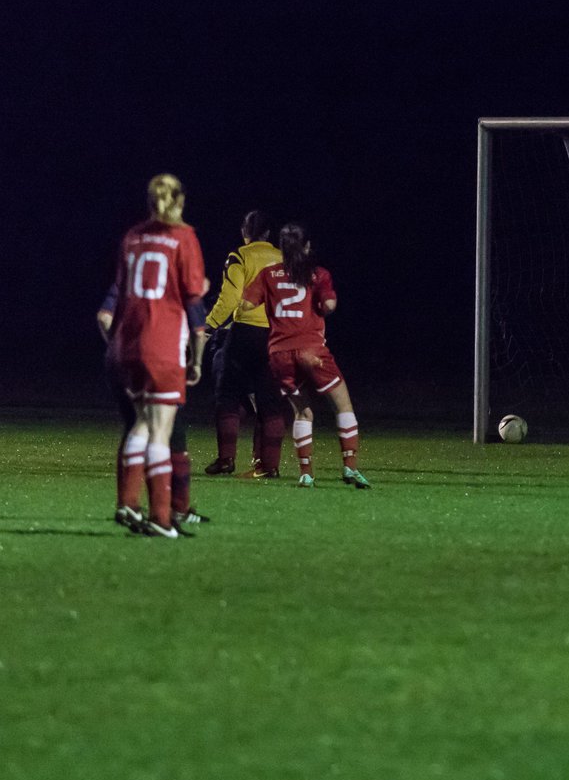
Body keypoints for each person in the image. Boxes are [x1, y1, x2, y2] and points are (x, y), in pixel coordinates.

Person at [105, 173, 209, 538]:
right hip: (161, 343)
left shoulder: (132, 236)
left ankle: (127, 503)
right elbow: (194, 298)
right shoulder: (184, 238)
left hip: (125, 344)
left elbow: (121, 292)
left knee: (141, 424)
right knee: (161, 432)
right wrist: (197, 356)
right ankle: (162, 519)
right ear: (179, 201)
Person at [240, 222, 370, 488]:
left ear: (282, 249)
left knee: (302, 412)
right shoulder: (318, 274)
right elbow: (329, 305)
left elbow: (246, 304)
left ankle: (306, 473)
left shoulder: (268, 274)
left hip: (279, 354)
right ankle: (350, 468)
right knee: (343, 407)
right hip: (312, 352)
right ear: (308, 247)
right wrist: (322, 306)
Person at [97, 286, 209, 528]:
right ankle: (173, 510)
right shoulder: (178, 281)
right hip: (162, 359)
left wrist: (120, 348)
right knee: (168, 432)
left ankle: (127, 503)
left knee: (135, 426)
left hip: (124, 361)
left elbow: (104, 317)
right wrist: (196, 362)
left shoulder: (131, 275)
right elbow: (199, 331)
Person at [203, 209, 290, 478]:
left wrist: (210, 325)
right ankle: (270, 465)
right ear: (268, 234)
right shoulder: (285, 259)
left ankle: (226, 459)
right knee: (271, 400)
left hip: (245, 332)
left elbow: (229, 298)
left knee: (228, 394)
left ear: (245, 232)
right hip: (277, 334)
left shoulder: (240, 256)